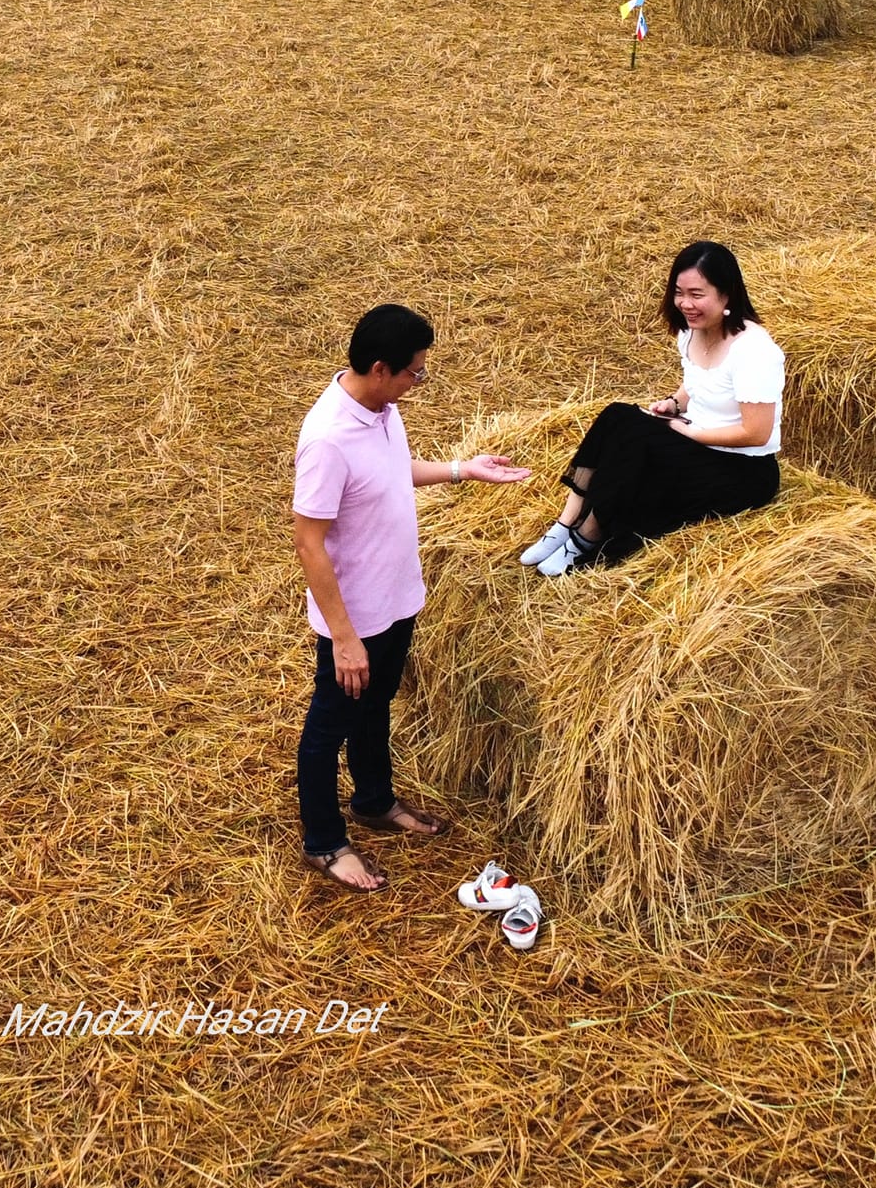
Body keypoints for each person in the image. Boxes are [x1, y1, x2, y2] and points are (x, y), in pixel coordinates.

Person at [294, 303, 531, 893]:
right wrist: (344, 638)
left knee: (376, 708)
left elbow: (393, 471)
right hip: (355, 618)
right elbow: (308, 541)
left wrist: (461, 470)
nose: (416, 383)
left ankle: (374, 800)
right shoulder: (327, 438)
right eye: (413, 373)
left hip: (397, 598)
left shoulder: (382, 410)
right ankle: (324, 841)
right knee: (330, 725)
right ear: (380, 368)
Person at [523, 241, 784, 578]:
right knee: (618, 415)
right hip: (700, 444)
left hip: (742, 471)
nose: (685, 304)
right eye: (679, 292)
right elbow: (698, 378)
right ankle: (565, 523)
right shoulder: (692, 332)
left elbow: (756, 432)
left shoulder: (754, 352)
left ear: (728, 294)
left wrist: (690, 431)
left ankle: (585, 539)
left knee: (640, 441)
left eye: (697, 294)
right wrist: (674, 404)